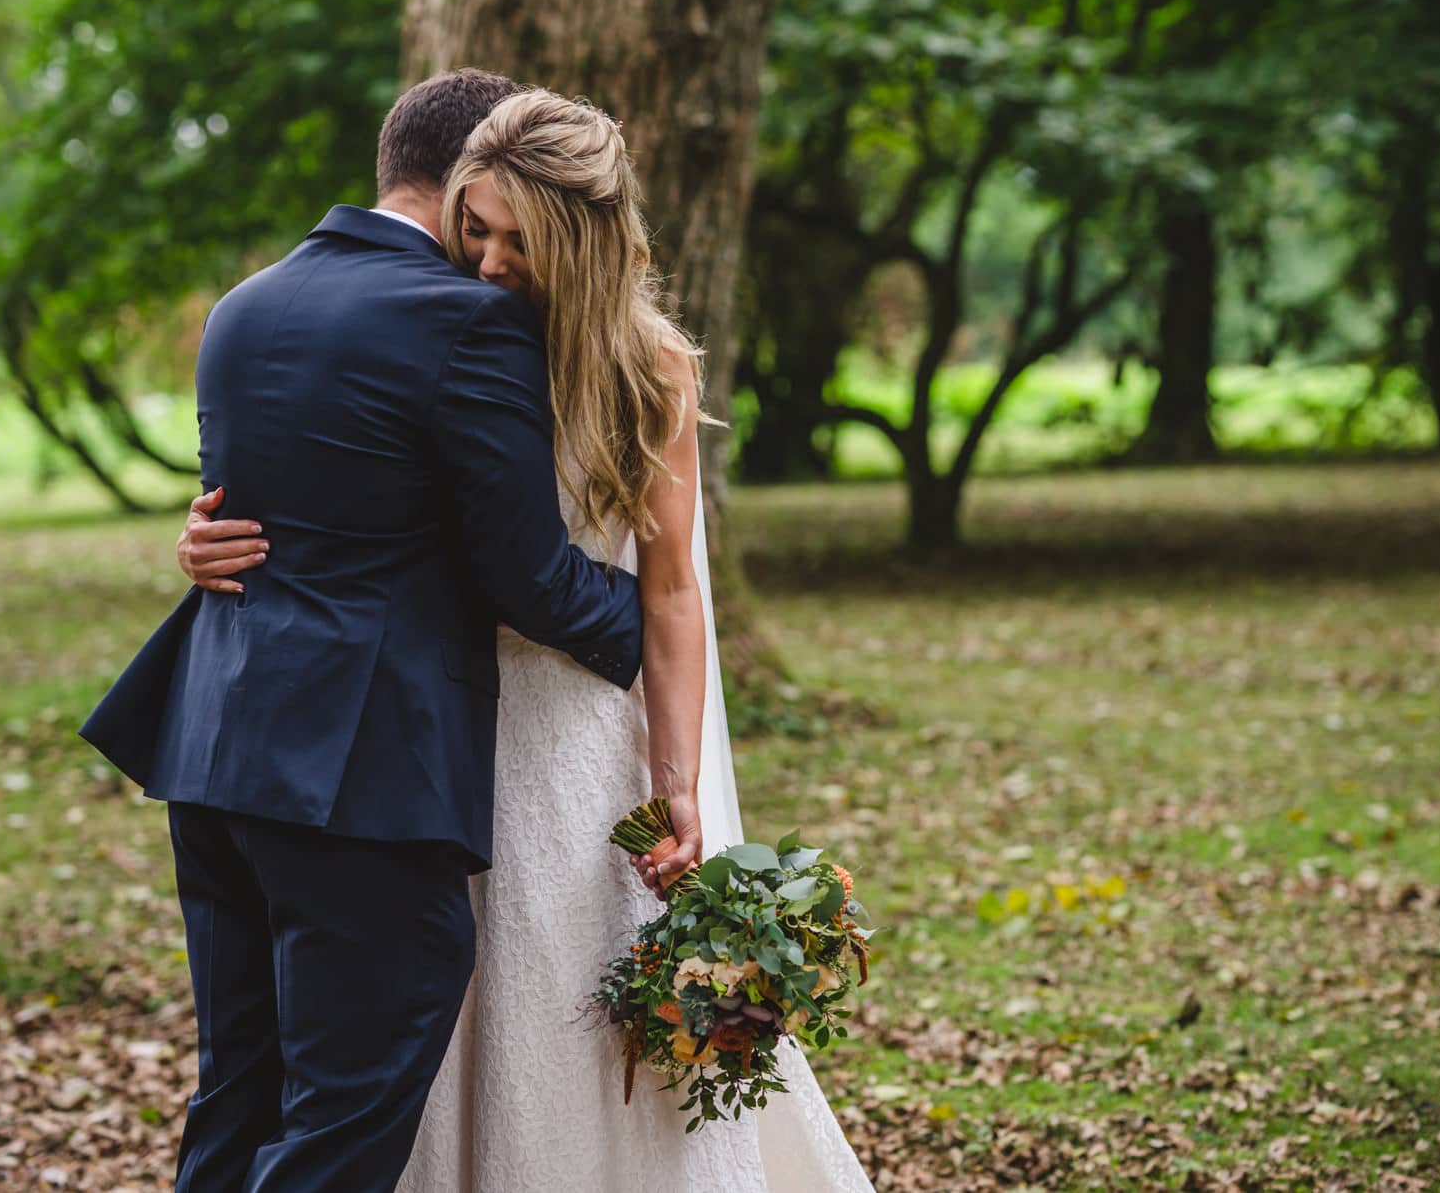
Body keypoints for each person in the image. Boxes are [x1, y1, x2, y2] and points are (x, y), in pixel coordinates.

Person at [179, 88, 874, 1191]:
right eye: (477, 228)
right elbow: (347, 489)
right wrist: (205, 538)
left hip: (577, 720)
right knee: (435, 1019)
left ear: (585, 238)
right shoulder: (434, 318)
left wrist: (674, 771)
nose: (493, 261)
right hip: (434, 719)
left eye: (521, 239)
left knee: (562, 1001)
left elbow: (671, 589)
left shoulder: (640, 363)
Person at [80, 69, 649, 1193]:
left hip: (215, 751)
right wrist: (660, 626)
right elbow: (525, 577)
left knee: (240, 1083)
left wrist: (194, 548)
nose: (495, 257)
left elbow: (273, 517)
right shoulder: (470, 321)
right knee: (346, 1107)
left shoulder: (245, 304)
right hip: (355, 775)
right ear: (468, 180)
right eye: (487, 223)